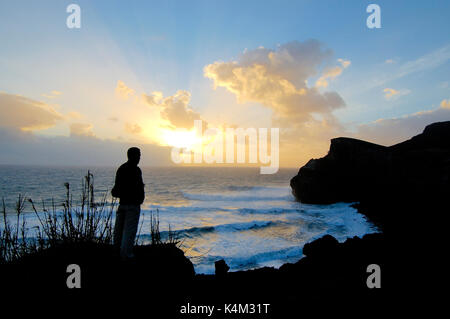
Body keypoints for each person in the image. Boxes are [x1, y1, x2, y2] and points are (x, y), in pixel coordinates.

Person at [111, 147, 145, 259]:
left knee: (118, 232)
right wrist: (139, 198)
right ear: (133, 156)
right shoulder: (136, 170)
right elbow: (139, 187)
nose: (140, 157)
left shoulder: (121, 168)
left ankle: (117, 253)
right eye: (138, 155)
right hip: (132, 205)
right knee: (128, 233)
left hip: (122, 204)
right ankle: (126, 255)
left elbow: (115, 190)